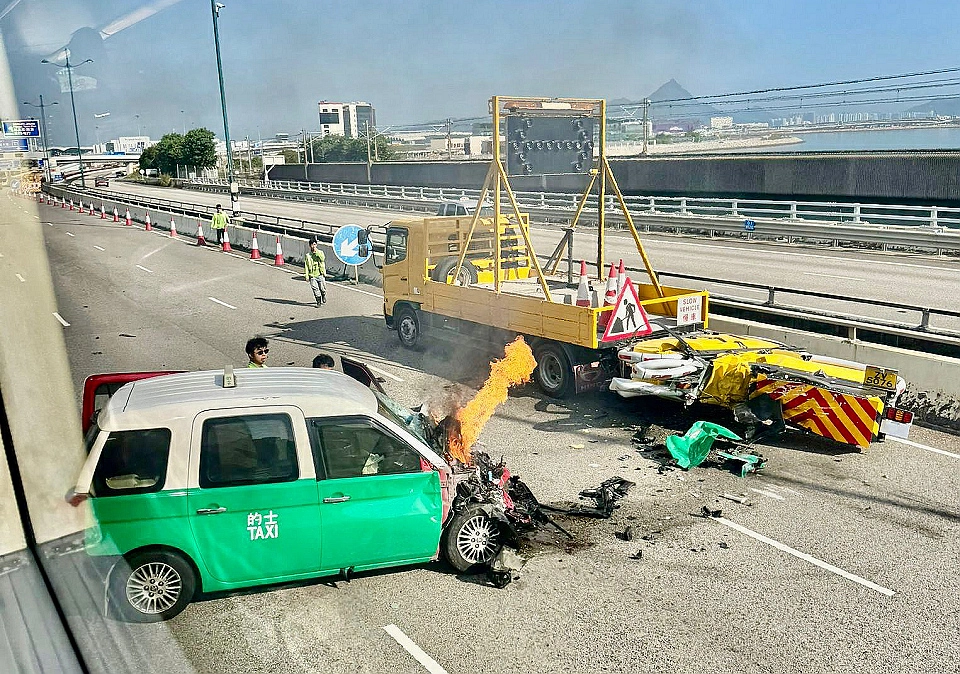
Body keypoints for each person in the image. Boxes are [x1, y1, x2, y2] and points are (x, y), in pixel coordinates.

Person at [304, 240, 327, 306]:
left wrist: (316, 252)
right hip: (312, 275)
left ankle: (323, 295)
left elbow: (322, 259)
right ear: (309, 245)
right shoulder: (308, 255)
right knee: (315, 289)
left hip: (320, 274)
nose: (313, 246)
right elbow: (306, 266)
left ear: (316, 245)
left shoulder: (320, 252)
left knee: (323, 288)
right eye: (312, 245)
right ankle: (318, 302)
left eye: (314, 244)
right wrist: (307, 276)